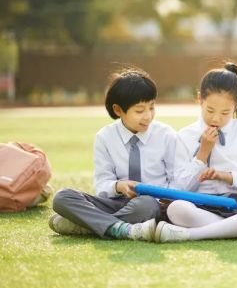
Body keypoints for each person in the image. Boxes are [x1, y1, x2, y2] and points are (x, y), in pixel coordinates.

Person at [50, 68, 188, 241]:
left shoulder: (167, 135)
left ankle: (86, 225)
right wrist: (119, 186)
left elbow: (176, 180)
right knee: (62, 197)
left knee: (146, 205)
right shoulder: (105, 137)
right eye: (139, 110)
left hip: (152, 204)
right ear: (118, 110)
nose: (148, 116)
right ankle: (121, 227)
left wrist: (158, 197)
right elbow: (102, 184)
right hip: (115, 202)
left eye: (152, 108)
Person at [154, 62, 237, 242]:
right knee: (176, 209)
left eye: (225, 113)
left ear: (236, 105)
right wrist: (202, 154)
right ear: (199, 99)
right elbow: (179, 187)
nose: (216, 118)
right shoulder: (186, 135)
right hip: (200, 203)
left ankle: (194, 235)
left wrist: (226, 176)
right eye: (210, 110)